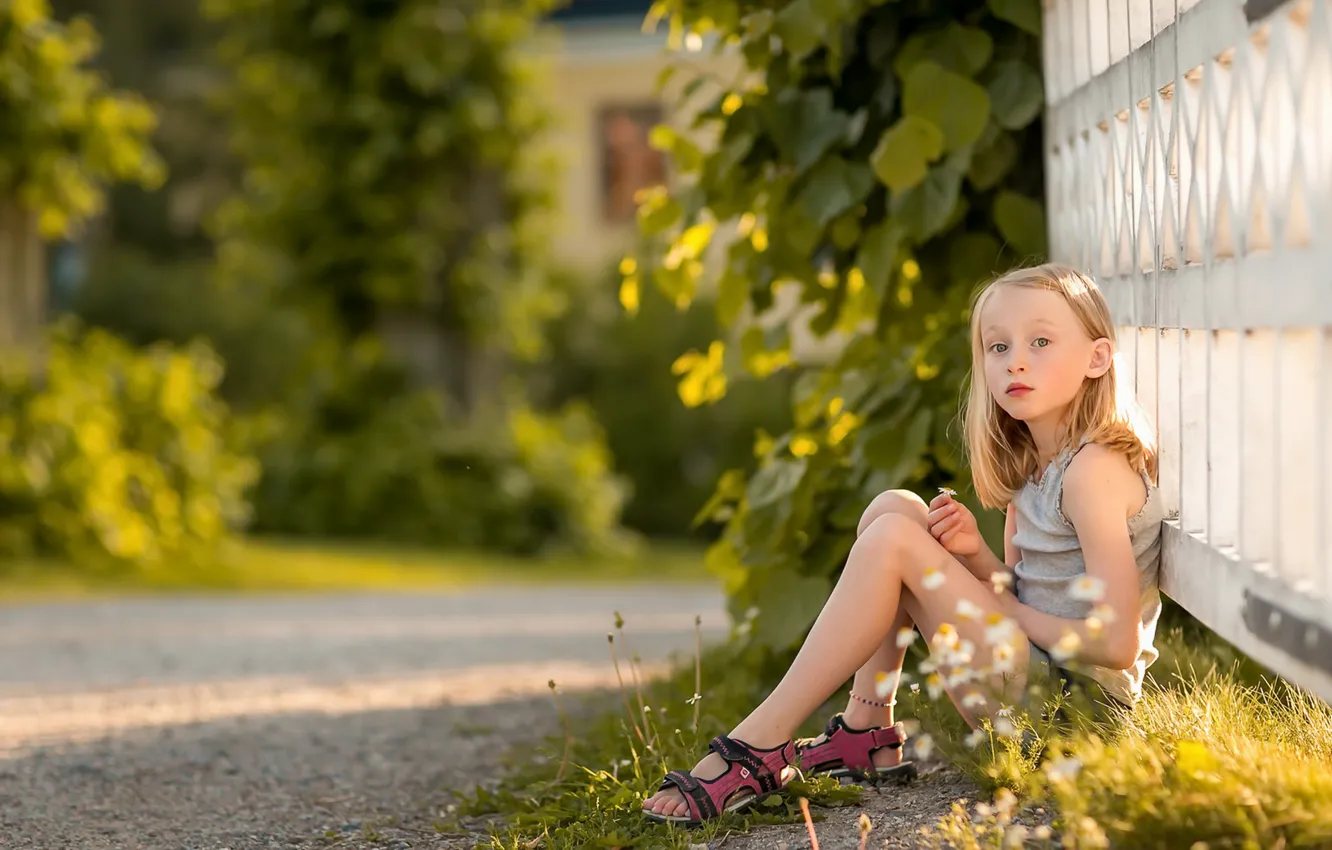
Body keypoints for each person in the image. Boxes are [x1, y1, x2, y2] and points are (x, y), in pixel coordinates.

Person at [642, 263, 1165, 825]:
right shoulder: (1035, 467)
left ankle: (760, 745)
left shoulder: (1093, 471)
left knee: (894, 539)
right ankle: (868, 729)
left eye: (1040, 341)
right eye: (997, 346)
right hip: (1032, 683)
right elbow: (1030, 595)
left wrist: (1004, 604)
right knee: (897, 508)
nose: (1015, 359)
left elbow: (1116, 644)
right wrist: (974, 558)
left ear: (1097, 358)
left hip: (1076, 722)